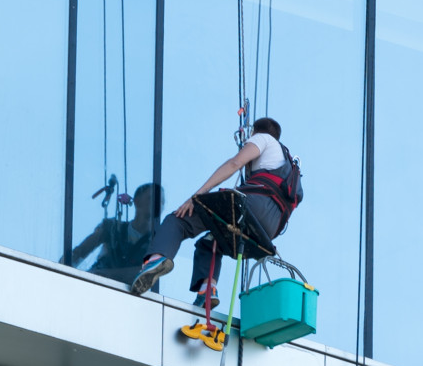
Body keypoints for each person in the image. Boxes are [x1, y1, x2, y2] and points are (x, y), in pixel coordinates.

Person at [128, 117, 301, 309]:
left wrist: (197, 196)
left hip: (253, 206)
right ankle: (207, 290)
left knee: (178, 219)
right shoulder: (287, 163)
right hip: (270, 227)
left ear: (254, 132)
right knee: (210, 242)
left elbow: (235, 163)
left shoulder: (263, 139)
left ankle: (156, 259)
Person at [70, 181, 161, 287]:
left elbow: (146, 273)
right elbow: (79, 252)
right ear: (137, 201)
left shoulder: (158, 244)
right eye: (150, 198)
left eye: (161, 201)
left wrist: (106, 274)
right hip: (95, 287)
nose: (157, 204)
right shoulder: (111, 228)